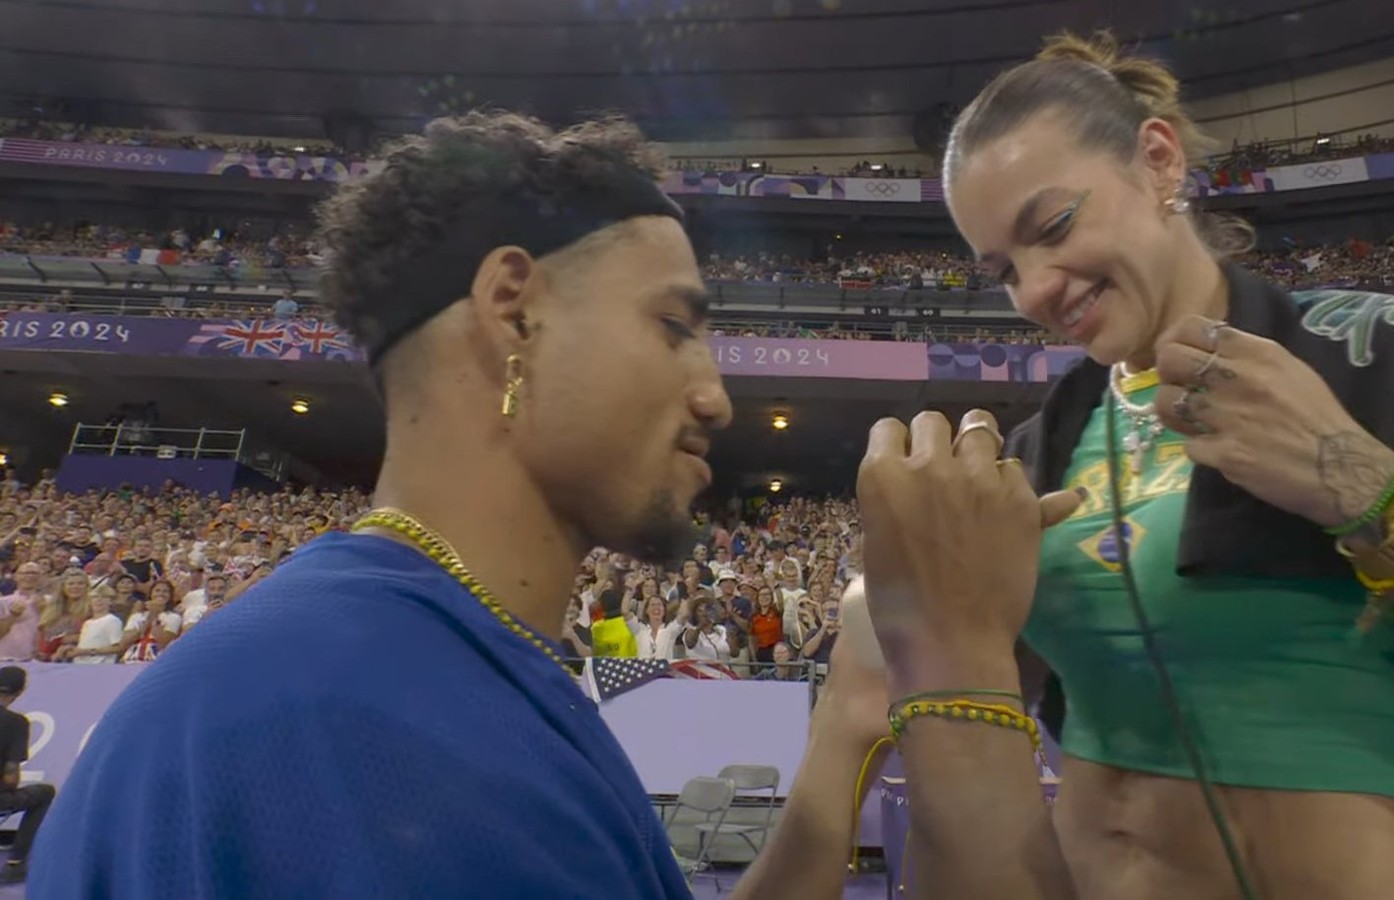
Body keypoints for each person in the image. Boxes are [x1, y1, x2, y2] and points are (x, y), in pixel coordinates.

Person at [26, 110, 890, 900]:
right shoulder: (364, 729)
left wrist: (847, 722)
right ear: (512, 312)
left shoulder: (393, 658)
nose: (716, 398)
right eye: (672, 325)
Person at [863, 29, 1394, 900]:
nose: (1035, 290)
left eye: (1053, 227)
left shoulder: (1390, 356)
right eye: (1003, 269)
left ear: (1159, 160)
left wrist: (1365, 490)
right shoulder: (1044, 446)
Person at [0, 666, 56, 884]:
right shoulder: (16, 723)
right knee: (45, 792)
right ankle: (15, 863)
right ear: (19, 692)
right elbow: (11, 777)